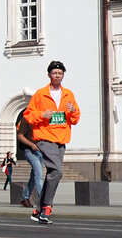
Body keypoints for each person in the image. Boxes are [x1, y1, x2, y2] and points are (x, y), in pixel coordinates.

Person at [23, 60, 80, 225]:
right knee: (57, 171)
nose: (57, 75)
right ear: (49, 75)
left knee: (52, 173)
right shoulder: (40, 94)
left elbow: (76, 119)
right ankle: (46, 207)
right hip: (44, 137)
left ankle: (38, 209)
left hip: (61, 138)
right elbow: (28, 115)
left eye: (60, 73)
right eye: (54, 73)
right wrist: (42, 115)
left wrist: (73, 111)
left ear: (63, 75)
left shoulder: (68, 94)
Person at [17, 109, 42, 208]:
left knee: (34, 176)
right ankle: (44, 201)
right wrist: (31, 145)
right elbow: (20, 136)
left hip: (40, 151)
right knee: (39, 175)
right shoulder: (25, 119)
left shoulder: (41, 119)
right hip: (30, 151)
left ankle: (25, 198)